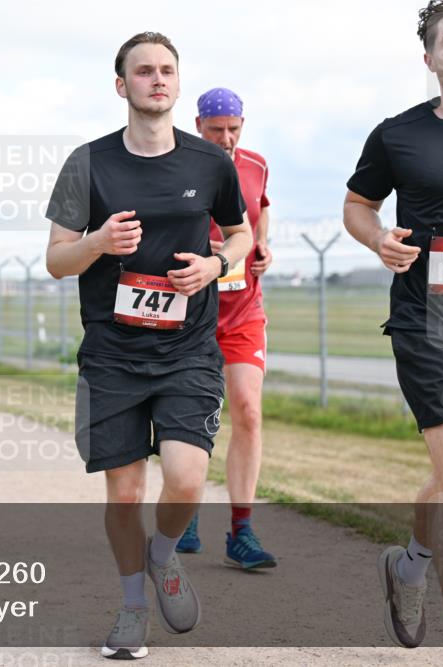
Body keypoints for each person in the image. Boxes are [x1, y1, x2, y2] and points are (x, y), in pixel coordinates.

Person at [45, 32, 252, 660]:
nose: (157, 79)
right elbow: (56, 259)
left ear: (178, 84)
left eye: (166, 70)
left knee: (186, 481)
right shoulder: (87, 163)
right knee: (125, 493)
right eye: (143, 71)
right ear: (121, 85)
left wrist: (215, 266)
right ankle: (133, 606)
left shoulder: (209, 162)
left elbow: (241, 234)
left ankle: (162, 554)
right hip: (112, 352)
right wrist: (98, 242)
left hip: (188, 349)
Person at [343, 2, 443, 666]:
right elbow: (358, 204)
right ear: (430, 58)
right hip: (429, 318)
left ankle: (410, 564)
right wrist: (378, 238)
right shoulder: (397, 135)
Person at [175, 88, 276, 570]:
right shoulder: (178, 165)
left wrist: (263, 247)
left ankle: (242, 530)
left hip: (243, 312)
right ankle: (186, 512)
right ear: (198, 125)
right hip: (190, 313)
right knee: (192, 415)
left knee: (248, 412)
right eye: (216, 130)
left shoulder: (256, 165)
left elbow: (261, 210)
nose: (227, 138)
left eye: (233, 129)